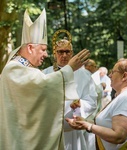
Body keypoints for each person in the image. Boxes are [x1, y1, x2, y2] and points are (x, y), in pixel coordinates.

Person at [0, 9, 90, 150]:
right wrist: (69, 68)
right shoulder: (14, 69)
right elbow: (44, 86)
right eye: (43, 49)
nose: (46, 54)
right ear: (30, 48)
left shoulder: (25, 68)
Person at [66, 58, 127, 150]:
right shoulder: (123, 97)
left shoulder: (126, 98)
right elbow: (107, 124)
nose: (110, 75)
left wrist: (89, 126)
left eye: (113, 72)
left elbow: (119, 136)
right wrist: (85, 122)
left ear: (124, 76)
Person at [42, 30, 98, 150]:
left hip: (73, 131)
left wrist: (81, 104)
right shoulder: (45, 74)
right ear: (54, 53)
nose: (64, 55)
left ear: (72, 53)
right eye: (60, 52)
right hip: (50, 131)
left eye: (67, 51)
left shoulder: (84, 75)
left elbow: (92, 100)